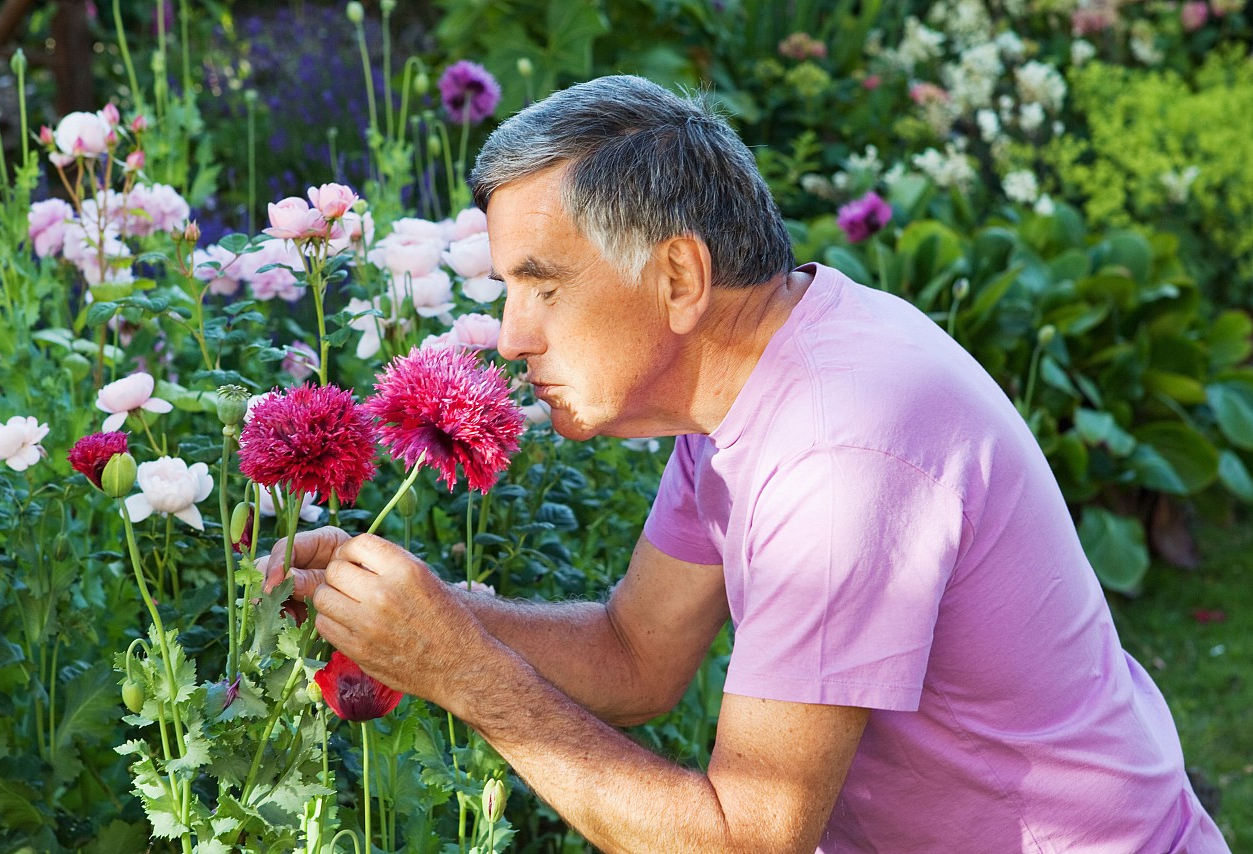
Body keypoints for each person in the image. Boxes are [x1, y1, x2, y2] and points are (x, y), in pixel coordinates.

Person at [265, 75, 1229, 852]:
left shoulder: (839, 452)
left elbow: (748, 842)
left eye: (544, 287)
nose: (511, 338)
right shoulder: (748, 383)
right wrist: (417, 616)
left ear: (679, 276)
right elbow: (635, 657)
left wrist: (463, 669)